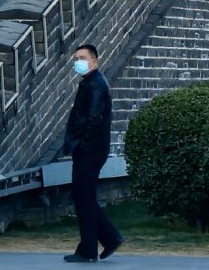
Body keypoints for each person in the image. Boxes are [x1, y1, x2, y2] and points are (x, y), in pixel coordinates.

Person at [61, 43, 121, 264]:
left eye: (82, 58)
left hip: (90, 150)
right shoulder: (90, 83)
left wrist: (81, 146)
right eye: (76, 58)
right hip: (89, 149)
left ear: (94, 61)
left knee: (83, 197)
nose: (78, 62)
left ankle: (92, 247)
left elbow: (92, 121)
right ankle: (105, 239)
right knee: (82, 197)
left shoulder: (96, 85)